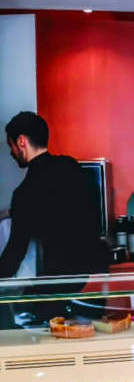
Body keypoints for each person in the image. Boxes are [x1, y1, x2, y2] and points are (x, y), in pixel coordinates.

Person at [1, 111, 109, 323]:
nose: (12, 152)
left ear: (21, 141)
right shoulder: (71, 167)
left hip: (59, 288)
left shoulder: (25, 193)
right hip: (94, 281)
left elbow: (15, 252)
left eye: (10, 145)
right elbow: (66, 212)